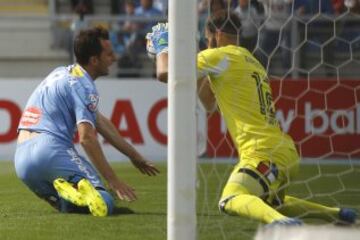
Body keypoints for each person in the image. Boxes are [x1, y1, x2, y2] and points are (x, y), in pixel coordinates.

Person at [145, 14, 357, 225]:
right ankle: (336, 213)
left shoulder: (220, 56)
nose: (206, 44)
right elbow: (209, 104)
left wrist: (163, 46)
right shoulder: (252, 61)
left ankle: (284, 226)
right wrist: (200, 72)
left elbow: (165, 73)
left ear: (217, 35)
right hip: (285, 151)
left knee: (230, 199)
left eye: (207, 38)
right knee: (269, 202)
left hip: (261, 153)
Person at [14, 26, 159, 217]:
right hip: (49, 149)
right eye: (109, 54)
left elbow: (99, 122)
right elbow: (87, 138)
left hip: (22, 160)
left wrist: (134, 156)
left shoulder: (61, 73)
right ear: (94, 60)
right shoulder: (84, 86)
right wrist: (112, 180)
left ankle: (69, 194)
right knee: (105, 201)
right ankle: (75, 190)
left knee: (75, 209)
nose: (114, 59)